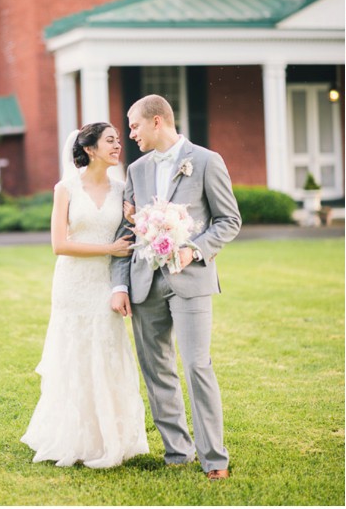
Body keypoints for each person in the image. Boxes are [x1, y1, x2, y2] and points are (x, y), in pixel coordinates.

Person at [110, 95, 241, 481]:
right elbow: (126, 232)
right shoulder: (134, 169)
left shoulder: (205, 161)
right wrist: (119, 285)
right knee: (157, 369)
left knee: (198, 365)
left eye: (133, 126)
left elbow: (228, 220)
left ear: (156, 121)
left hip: (191, 279)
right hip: (144, 283)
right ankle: (177, 452)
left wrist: (194, 251)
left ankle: (214, 459)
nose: (129, 134)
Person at [22, 123, 148, 468]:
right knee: (74, 354)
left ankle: (110, 438)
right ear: (89, 149)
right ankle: (71, 437)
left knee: (106, 353)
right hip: (73, 283)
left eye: (118, 140)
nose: (118, 145)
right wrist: (109, 247)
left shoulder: (123, 189)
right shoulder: (65, 189)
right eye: (110, 140)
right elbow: (59, 244)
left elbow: (130, 234)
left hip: (106, 284)